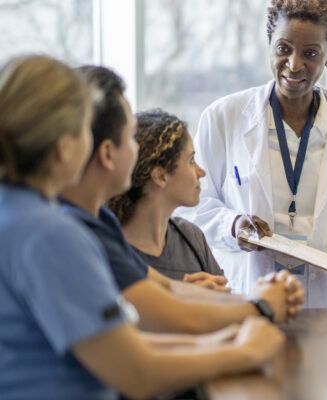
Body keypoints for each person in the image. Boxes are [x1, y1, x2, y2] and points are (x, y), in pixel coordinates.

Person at [0, 55, 283, 399]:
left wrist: (216, 341)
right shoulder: (49, 234)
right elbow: (137, 372)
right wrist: (246, 349)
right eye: (83, 132)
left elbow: (115, 342)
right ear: (63, 148)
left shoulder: (18, 214)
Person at [185, 0, 327, 304]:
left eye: (311, 53)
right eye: (283, 49)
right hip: (251, 291)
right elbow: (193, 205)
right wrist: (233, 224)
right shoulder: (223, 118)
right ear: (269, 47)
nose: (294, 64)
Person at [61, 65, 303, 334]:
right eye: (129, 138)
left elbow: (167, 293)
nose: (136, 150)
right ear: (106, 152)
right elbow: (148, 341)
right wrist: (261, 306)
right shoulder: (72, 235)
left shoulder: (102, 225)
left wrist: (213, 298)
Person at [109, 109, 226, 286]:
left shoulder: (191, 238)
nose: (201, 172)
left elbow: (229, 306)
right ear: (161, 176)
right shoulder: (110, 250)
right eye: (191, 160)